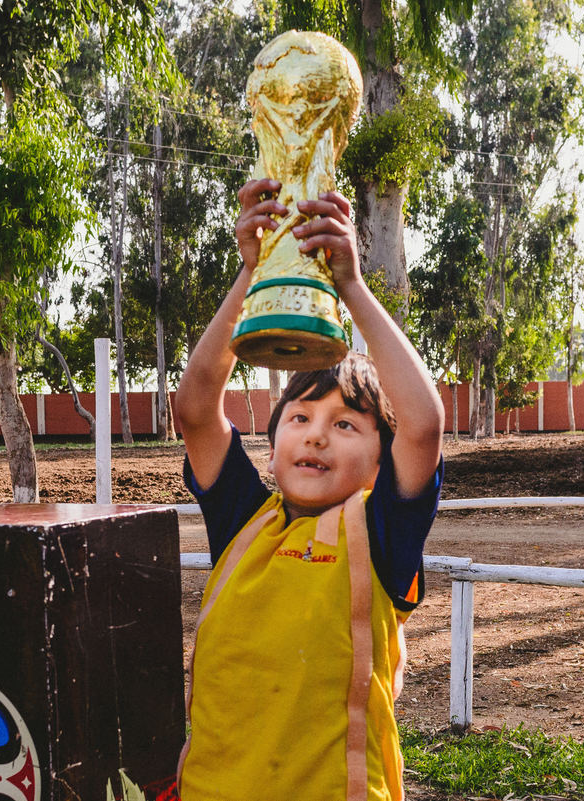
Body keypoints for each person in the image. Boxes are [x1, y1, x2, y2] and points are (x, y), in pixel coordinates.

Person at [174, 179, 445, 801]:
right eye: (299, 419)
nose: (316, 437)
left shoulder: (380, 535)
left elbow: (424, 425)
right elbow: (194, 409)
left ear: (381, 462)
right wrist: (253, 274)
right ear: (271, 447)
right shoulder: (244, 517)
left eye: (345, 424)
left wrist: (351, 286)